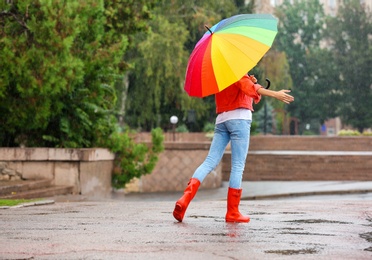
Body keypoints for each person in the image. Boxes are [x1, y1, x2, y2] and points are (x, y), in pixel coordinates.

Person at [173, 74, 294, 223]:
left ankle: (184, 200)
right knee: (237, 165)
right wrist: (275, 94)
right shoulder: (236, 70)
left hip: (222, 120)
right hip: (239, 119)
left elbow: (244, 89)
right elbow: (250, 88)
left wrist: (250, 81)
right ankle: (232, 212)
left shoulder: (219, 73)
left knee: (209, 161)